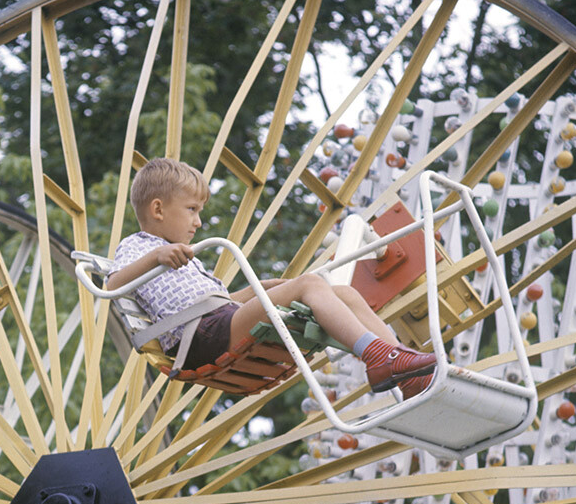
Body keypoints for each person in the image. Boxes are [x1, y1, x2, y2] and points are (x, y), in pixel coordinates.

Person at [108, 158, 436, 396]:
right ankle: (377, 356)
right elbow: (111, 285)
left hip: (217, 321)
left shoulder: (184, 260)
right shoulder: (139, 247)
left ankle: (403, 369)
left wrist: (264, 290)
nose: (199, 223)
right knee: (308, 284)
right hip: (198, 338)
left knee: (341, 292)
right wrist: (156, 256)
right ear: (158, 210)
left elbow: (219, 304)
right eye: (192, 210)